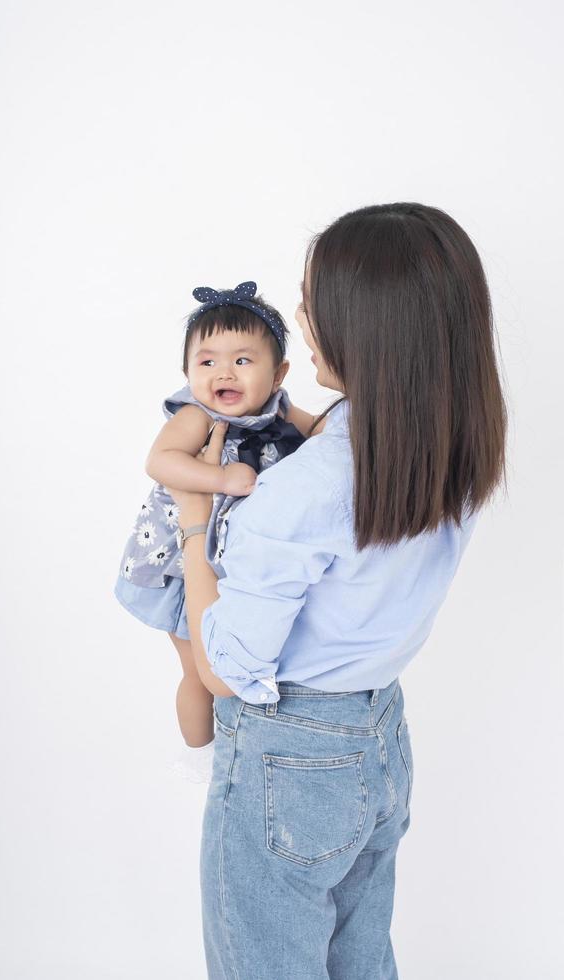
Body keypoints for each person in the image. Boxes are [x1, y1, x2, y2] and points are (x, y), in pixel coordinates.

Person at [165, 203, 507, 978]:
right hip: (378, 734)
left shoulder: (304, 490)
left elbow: (223, 672)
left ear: (366, 327)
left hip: (290, 752)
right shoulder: (453, 441)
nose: (300, 318)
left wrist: (193, 527)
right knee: (361, 962)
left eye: (313, 303)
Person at [114, 282, 317, 781]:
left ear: (278, 374)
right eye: (206, 363)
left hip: (233, 568)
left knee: (238, 661)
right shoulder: (195, 415)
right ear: (188, 373)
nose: (223, 373)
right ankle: (200, 757)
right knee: (199, 672)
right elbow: (159, 462)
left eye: (243, 361)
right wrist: (219, 478)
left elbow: (323, 430)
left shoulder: (280, 410)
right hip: (179, 568)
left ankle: (234, 748)